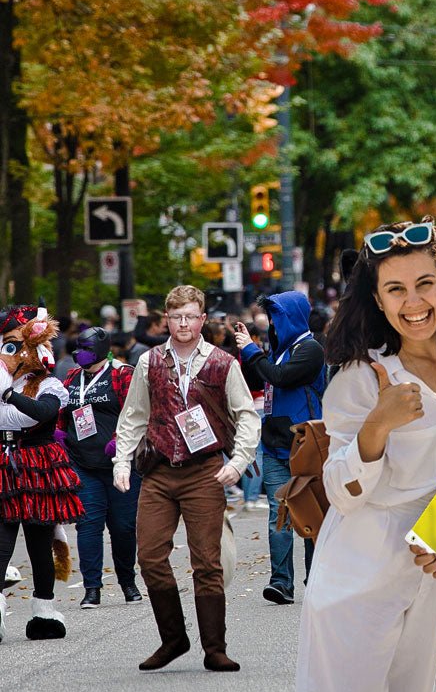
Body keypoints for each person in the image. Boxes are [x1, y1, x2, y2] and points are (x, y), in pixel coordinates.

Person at [249, 218, 436, 692]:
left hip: (430, 568)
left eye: (425, 283)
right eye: (395, 289)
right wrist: (377, 425)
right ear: (376, 300)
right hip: (360, 568)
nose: (414, 301)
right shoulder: (362, 375)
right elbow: (343, 493)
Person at [112, 285, 260, 672]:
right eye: (177, 316)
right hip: (159, 470)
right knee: (149, 556)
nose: (183, 323)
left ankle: (215, 649)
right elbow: (133, 416)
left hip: (204, 471)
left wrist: (239, 461)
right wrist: (122, 463)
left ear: (202, 319)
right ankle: (174, 639)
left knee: (206, 563)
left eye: (191, 316)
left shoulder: (223, 362)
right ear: (166, 319)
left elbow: (246, 414)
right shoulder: (149, 362)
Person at [234, 291, 325, 605]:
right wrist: (249, 352)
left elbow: (282, 378)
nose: (274, 323)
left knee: (313, 516)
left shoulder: (310, 349)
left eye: (278, 316)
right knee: (279, 517)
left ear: (294, 317)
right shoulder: (276, 351)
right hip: (274, 447)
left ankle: (317, 581)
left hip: (307, 447)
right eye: (271, 317)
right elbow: (258, 378)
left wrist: (253, 352)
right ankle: (281, 583)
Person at [0, 304, 81, 642]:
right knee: (2, 544)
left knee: (39, 544)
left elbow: (41, 414)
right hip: (4, 465)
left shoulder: (48, 385)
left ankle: (44, 611)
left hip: (38, 467)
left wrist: (7, 396)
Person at [60, 327, 142, 608]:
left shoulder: (122, 375)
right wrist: (59, 434)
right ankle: (92, 588)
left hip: (121, 464)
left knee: (123, 528)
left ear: (99, 349)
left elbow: (137, 413)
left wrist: (120, 441)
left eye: (84, 347)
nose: (78, 353)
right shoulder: (72, 377)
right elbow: (63, 411)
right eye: (77, 347)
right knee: (88, 526)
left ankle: (128, 582)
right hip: (83, 464)